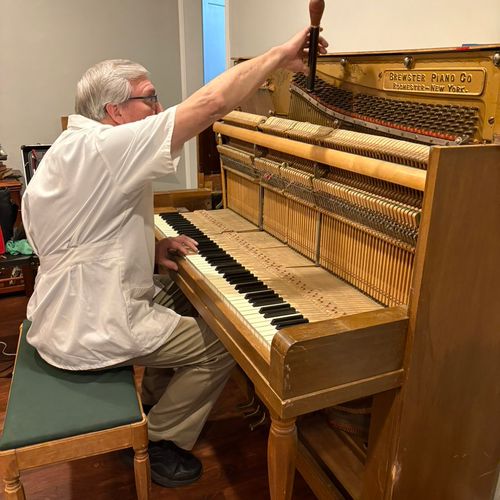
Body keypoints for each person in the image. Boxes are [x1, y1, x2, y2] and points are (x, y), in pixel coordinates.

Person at [21, 26, 328, 488]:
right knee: (228, 343)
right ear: (114, 111)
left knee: (186, 297)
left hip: (73, 304)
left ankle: (156, 406)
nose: (159, 108)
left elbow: (86, 231)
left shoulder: (74, 144)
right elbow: (210, 106)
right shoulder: (107, 147)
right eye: (149, 98)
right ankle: (160, 440)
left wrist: (153, 248)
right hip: (88, 326)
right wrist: (278, 56)